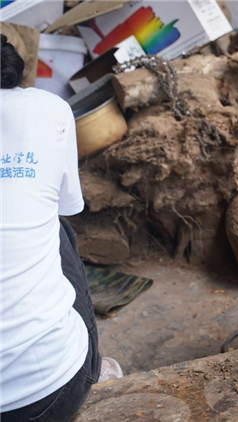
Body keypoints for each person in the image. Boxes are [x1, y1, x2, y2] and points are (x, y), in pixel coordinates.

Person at [0, 34, 122, 421]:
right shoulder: (49, 108)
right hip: (52, 395)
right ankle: (92, 364)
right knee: (57, 228)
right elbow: (68, 206)